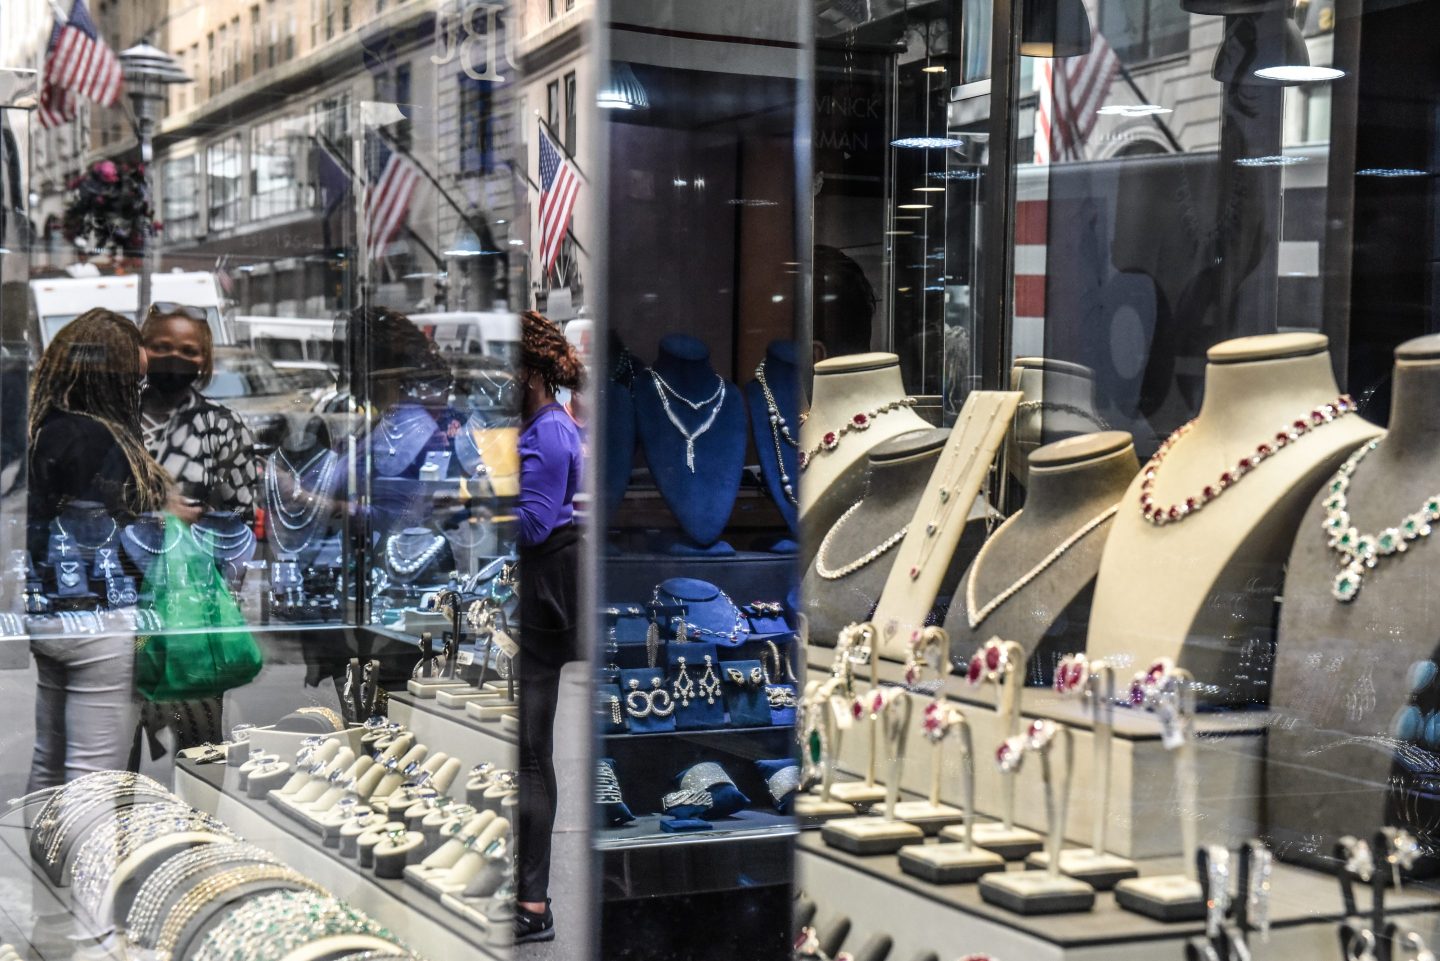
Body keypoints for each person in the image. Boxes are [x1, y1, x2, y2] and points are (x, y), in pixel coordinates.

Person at [26, 309, 171, 789]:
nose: (139, 391)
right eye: (135, 380)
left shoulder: (50, 427)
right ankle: (88, 866)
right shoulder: (100, 438)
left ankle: (39, 862)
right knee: (96, 780)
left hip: (51, 615)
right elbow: (122, 534)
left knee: (50, 765)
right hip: (104, 619)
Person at [136, 302, 258, 755]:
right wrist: (154, 512)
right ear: (142, 350)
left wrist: (217, 597)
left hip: (193, 609)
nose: (175, 358)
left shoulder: (220, 427)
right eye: (161, 346)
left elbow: (243, 520)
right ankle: (125, 826)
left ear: (204, 360)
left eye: (188, 350)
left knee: (200, 747)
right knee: (118, 751)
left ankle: (199, 825)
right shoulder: (117, 418)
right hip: (126, 606)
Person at [513, 310, 585, 944]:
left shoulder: (547, 434)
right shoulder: (546, 426)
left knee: (533, 754)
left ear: (530, 372)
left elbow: (534, 524)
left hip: (546, 598)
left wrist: (479, 494)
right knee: (528, 752)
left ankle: (533, 904)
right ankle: (525, 892)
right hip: (545, 589)